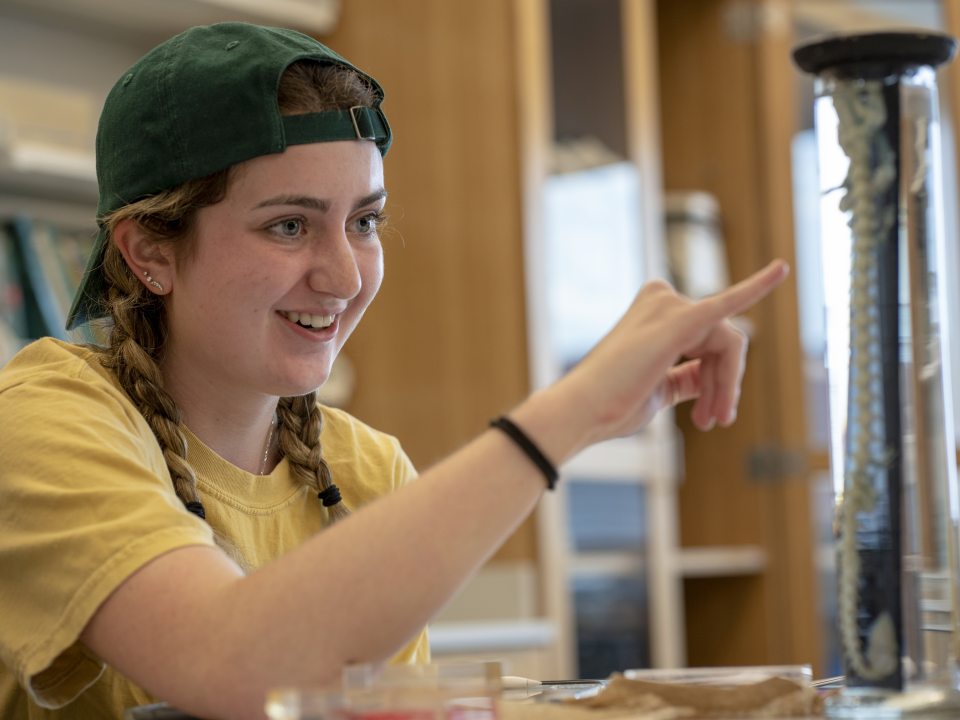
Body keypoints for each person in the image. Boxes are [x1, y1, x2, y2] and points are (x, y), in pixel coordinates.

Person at [0, 21, 789, 720]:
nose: (344, 276)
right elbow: (234, 667)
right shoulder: (44, 418)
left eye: (365, 222)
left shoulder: (364, 466)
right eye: (288, 225)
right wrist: (569, 413)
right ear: (149, 253)